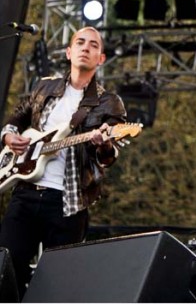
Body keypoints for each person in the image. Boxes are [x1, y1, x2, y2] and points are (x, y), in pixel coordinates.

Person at [0, 26, 127, 297]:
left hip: (68, 202)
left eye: (93, 45)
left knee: (59, 283)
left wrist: (104, 143)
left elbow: (109, 157)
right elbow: (18, 117)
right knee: (5, 271)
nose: (86, 48)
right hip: (25, 192)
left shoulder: (108, 103)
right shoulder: (44, 86)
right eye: (80, 42)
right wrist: (9, 136)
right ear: (69, 52)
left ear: (100, 58)